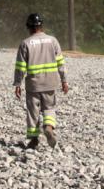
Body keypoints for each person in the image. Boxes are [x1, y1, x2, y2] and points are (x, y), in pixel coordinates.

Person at [13, 13, 68, 149]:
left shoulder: (25, 43)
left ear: (29, 27)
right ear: (41, 26)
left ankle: (33, 140)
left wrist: (18, 84)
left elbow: (20, 67)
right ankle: (48, 127)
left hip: (33, 85)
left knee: (33, 113)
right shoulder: (53, 41)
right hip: (50, 82)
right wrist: (64, 81)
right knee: (49, 108)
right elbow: (61, 63)